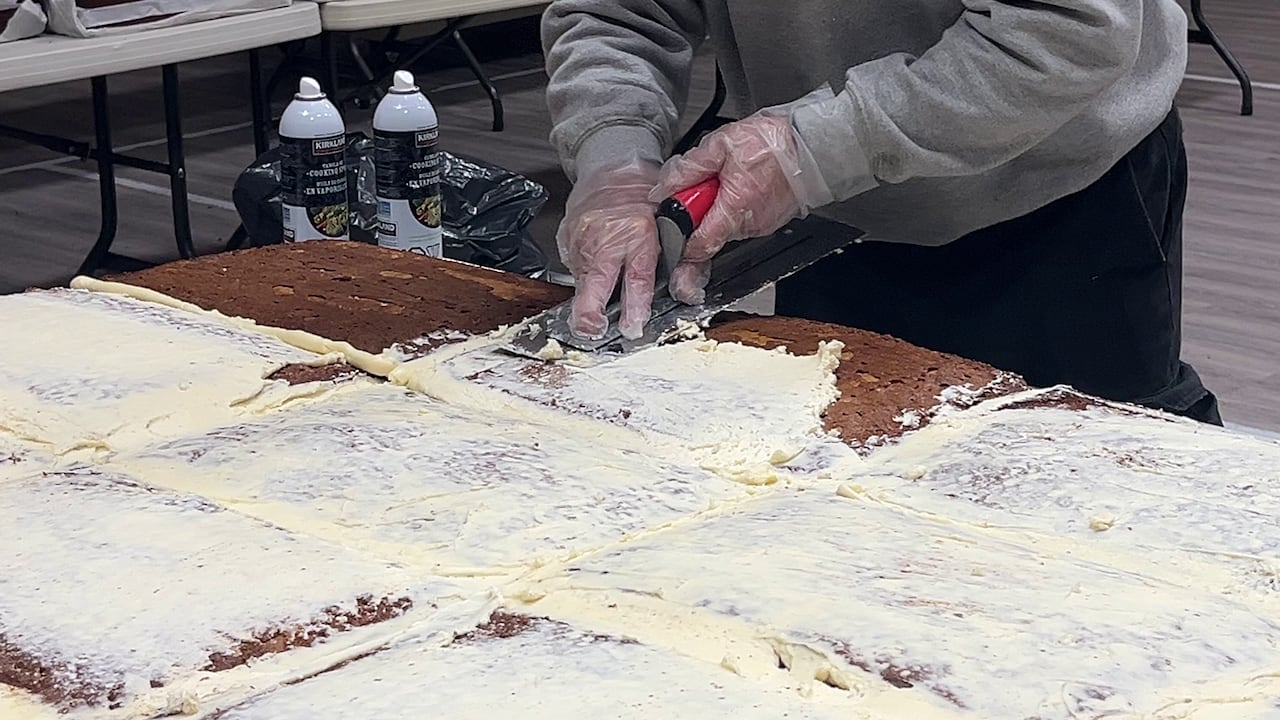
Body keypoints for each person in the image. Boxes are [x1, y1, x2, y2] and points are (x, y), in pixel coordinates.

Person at [541, 0, 1222, 425]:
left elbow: (1064, 30)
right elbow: (616, 12)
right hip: (828, 203)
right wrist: (615, 156)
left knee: (1087, 471)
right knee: (849, 457)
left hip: (1051, 187)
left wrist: (816, 147)